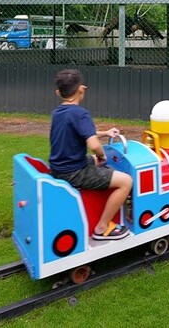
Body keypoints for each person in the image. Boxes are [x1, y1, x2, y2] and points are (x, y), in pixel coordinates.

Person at [48, 69, 133, 240]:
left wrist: (106, 133)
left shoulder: (58, 112)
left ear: (58, 92)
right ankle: (102, 228)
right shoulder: (81, 113)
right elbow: (93, 144)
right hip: (73, 172)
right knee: (126, 181)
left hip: (60, 166)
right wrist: (102, 155)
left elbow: (84, 131)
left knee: (95, 162)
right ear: (81, 89)